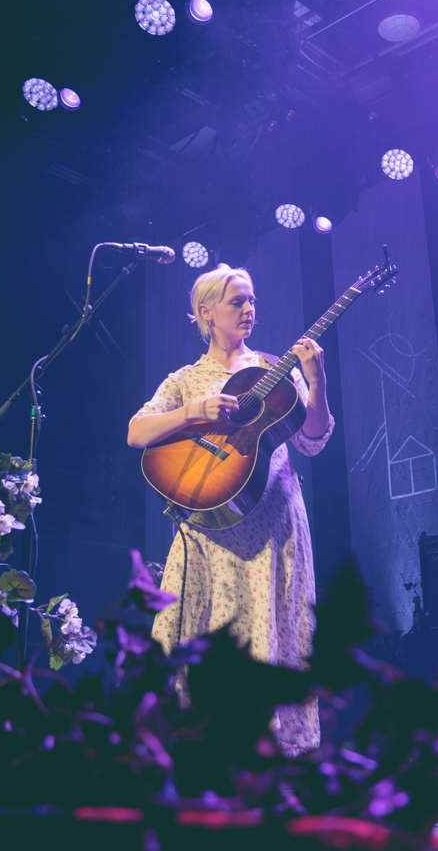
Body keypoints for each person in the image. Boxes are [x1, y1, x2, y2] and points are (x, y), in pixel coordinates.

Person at [128, 264, 333, 757]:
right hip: (208, 530)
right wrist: (193, 412)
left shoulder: (274, 370)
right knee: (197, 628)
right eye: (237, 301)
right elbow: (137, 431)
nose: (249, 309)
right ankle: (192, 744)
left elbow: (312, 441)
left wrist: (316, 379)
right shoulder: (186, 379)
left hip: (273, 521)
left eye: (252, 300)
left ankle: (275, 754)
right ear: (206, 311)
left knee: (274, 628)